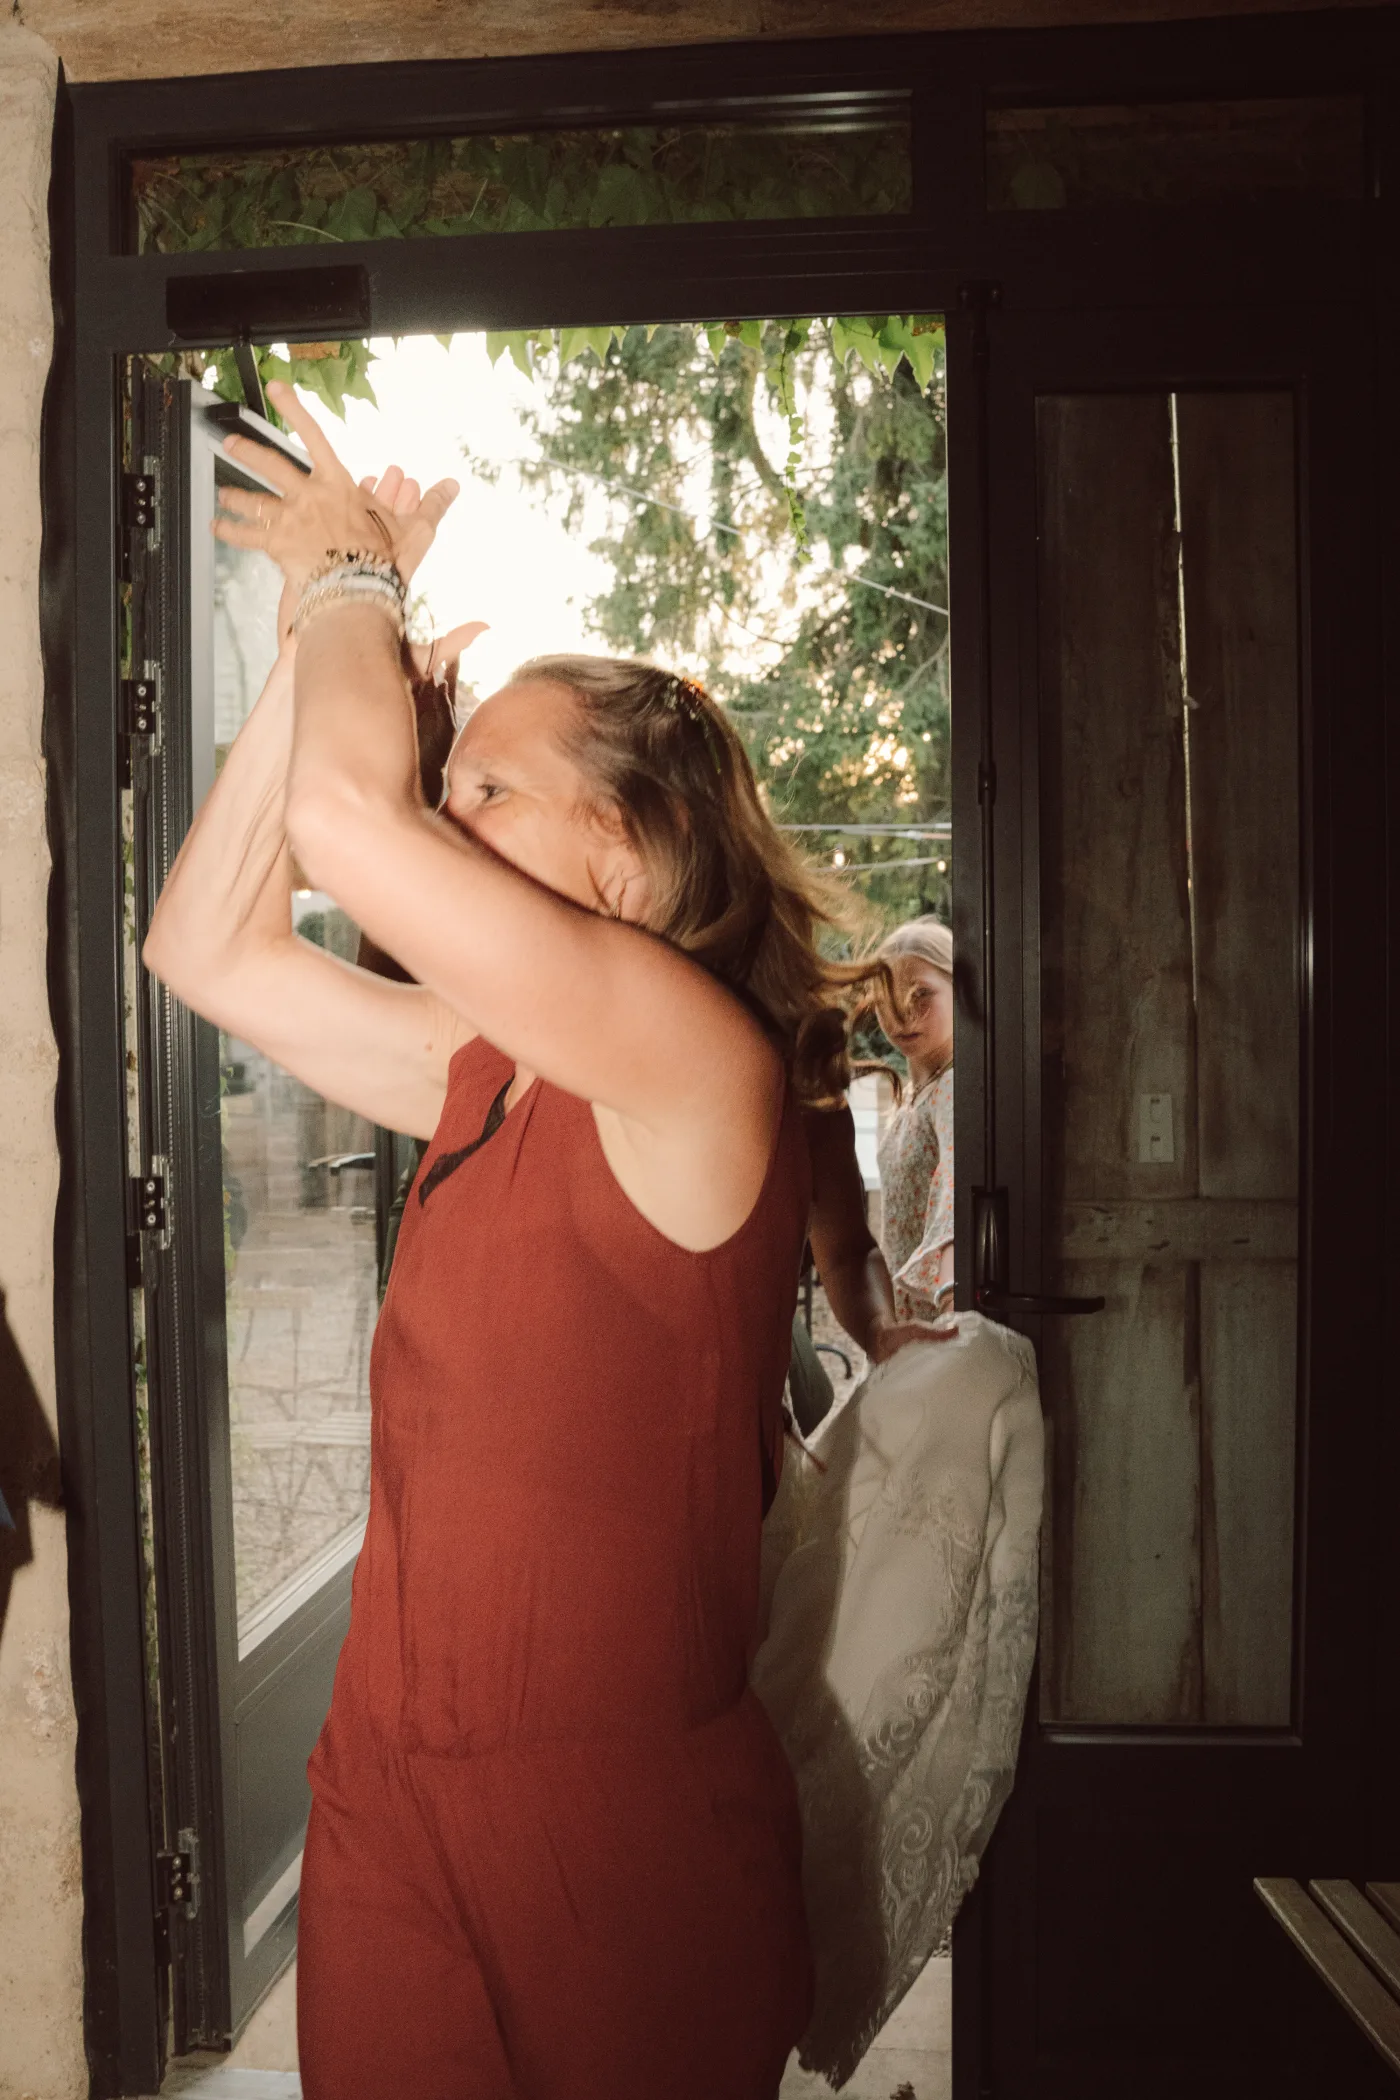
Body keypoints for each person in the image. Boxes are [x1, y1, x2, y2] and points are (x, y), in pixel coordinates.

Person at [143, 381, 893, 2100]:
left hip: (620, 1843)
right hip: (385, 1798)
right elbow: (205, 946)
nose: (438, 802)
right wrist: (309, 636)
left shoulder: (698, 1068)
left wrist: (359, 581)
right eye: (446, 775)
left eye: (486, 784)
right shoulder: (488, 1064)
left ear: (624, 856)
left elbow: (355, 826)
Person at [871, 915, 956, 1318]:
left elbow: (955, 1199)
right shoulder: (912, 1095)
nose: (903, 1013)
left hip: (939, 1320)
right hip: (907, 1321)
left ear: (960, 991)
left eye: (922, 994)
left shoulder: (954, 1089)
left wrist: (953, 1308)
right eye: (886, 997)